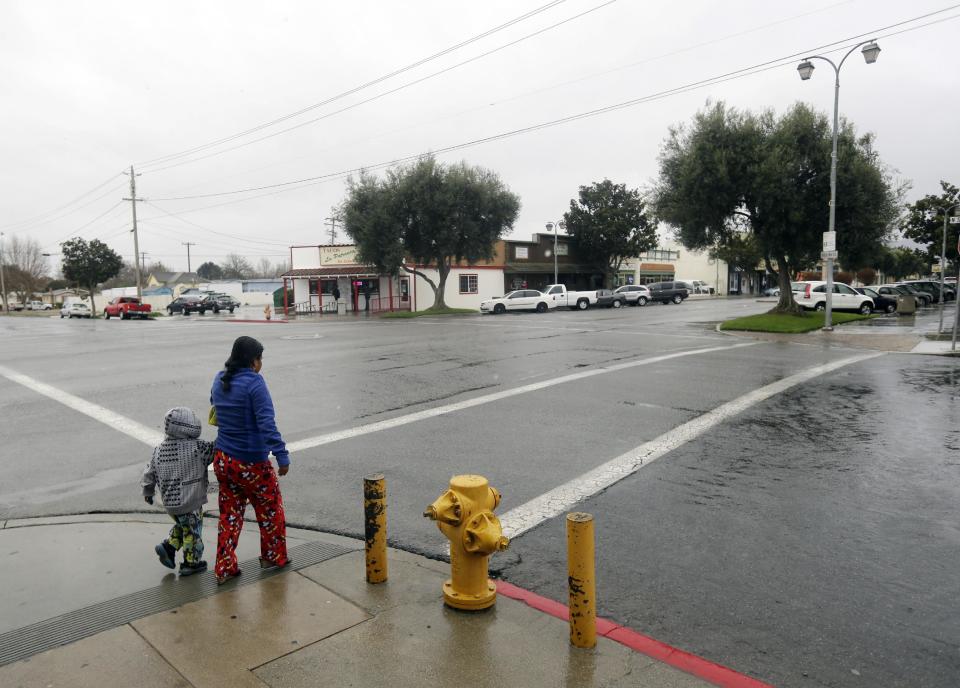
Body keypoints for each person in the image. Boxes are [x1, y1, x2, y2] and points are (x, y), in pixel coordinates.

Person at [210, 336, 290, 584]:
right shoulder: (255, 384)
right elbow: (267, 423)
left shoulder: (219, 378)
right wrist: (281, 454)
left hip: (224, 460)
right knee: (270, 510)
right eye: (260, 358)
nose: (261, 364)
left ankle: (224, 568)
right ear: (253, 361)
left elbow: (216, 410)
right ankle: (272, 557)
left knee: (230, 515)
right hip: (251, 462)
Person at [142, 407, 214, 576]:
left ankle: (169, 547)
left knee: (184, 525)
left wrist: (148, 491)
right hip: (191, 501)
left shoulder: (159, 450)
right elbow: (215, 450)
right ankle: (191, 563)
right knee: (193, 532)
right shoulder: (198, 447)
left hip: (170, 503)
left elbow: (149, 472)